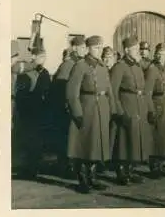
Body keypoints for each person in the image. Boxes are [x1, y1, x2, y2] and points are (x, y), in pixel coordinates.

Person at [66, 35, 115, 194]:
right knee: (85, 145)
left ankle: (93, 178)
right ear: (87, 49)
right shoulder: (80, 66)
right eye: (96, 48)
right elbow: (72, 93)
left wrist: (112, 109)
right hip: (87, 109)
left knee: (97, 145)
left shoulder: (102, 67)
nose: (99, 50)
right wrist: (77, 113)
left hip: (101, 109)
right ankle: (83, 181)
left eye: (101, 47)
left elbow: (109, 91)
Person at [109, 36, 153, 185]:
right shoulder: (119, 66)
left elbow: (143, 90)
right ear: (127, 50)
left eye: (138, 49)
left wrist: (147, 109)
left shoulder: (137, 66)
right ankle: (121, 172)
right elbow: (113, 92)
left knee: (134, 141)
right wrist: (119, 111)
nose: (138, 52)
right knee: (123, 141)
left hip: (138, 107)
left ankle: (130, 171)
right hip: (126, 108)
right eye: (135, 49)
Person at [50, 35, 87, 178]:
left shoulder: (80, 63)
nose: (84, 50)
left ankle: (72, 166)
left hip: (73, 106)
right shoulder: (69, 64)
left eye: (85, 47)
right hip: (65, 108)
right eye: (82, 47)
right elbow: (61, 87)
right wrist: (66, 106)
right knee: (66, 138)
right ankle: (66, 167)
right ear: (75, 48)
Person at [14, 45, 51, 179]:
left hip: (40, 112)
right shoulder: (26, 72)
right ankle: (27, 169)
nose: (43, 59)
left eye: (44, 57)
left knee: (37, 142)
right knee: (27, 141)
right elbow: (21, 95)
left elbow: (48, 92)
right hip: (28, 113)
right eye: (40, 57)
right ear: (33, 57)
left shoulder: (45, 73)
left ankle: (34, 168)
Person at [144, 45, 165, 178]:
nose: (161, 56)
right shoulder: (152, 70)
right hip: (158, 105)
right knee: (157, 137)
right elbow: (147, 92)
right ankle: (154, 167)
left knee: (164, 137)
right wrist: (151, 110)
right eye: (158, 53)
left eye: (163, 53)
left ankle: (161, 165)